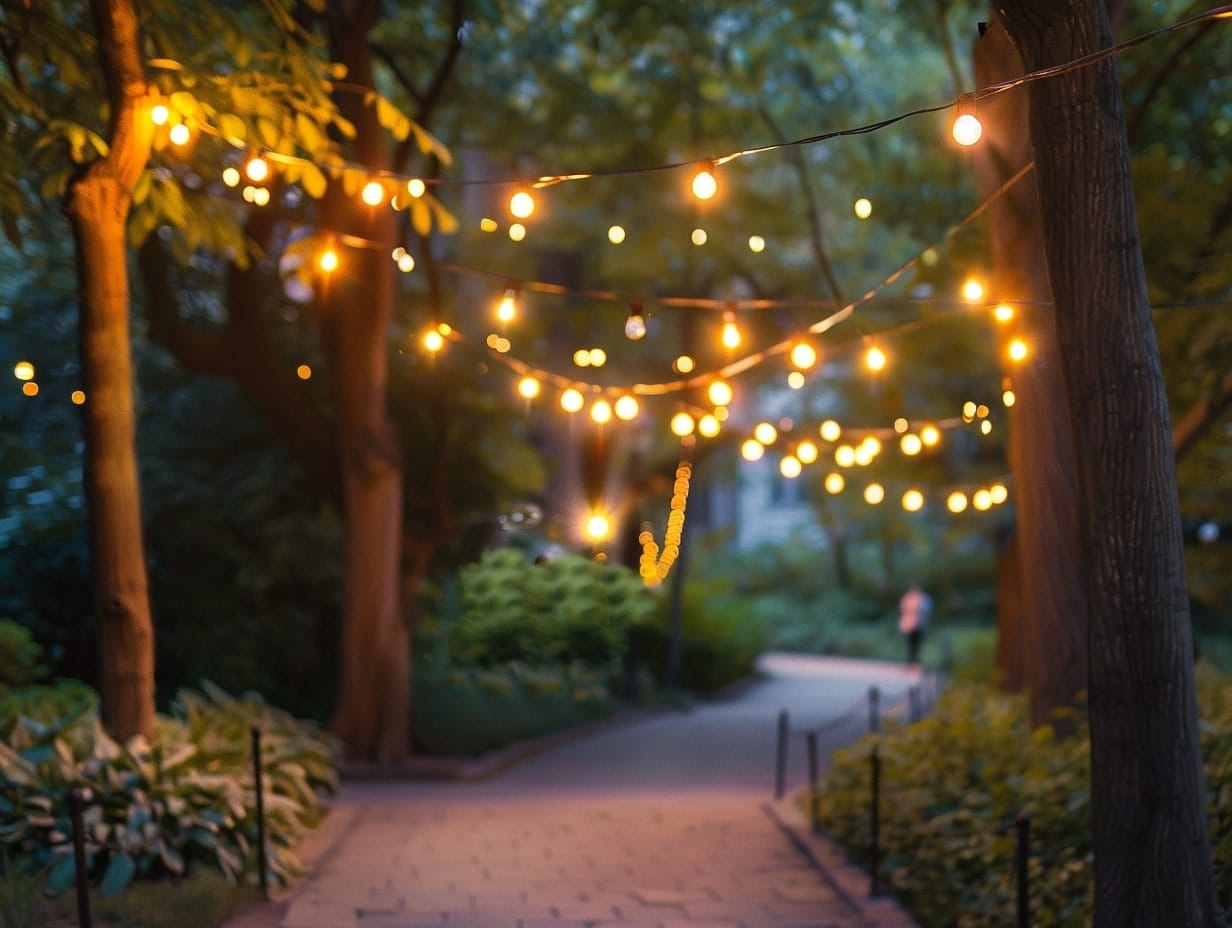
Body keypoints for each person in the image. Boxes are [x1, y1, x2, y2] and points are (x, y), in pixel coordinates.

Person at [898, 583, 932, 665]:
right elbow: (902, 609)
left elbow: (926, 610)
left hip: (919, 624)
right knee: (910, 644)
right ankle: (910, 661)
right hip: (909, 625)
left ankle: (915, 661)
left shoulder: (923, 598)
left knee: (917, 644)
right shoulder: (907, 598)